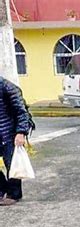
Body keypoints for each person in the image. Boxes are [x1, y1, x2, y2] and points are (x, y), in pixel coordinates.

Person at [0, 77, 32, 206]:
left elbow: (21, 112)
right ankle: (2, 189)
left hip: (9, 134)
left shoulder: (7, 87)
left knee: (12, 165)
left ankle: (14, 194)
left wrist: (21, 132)